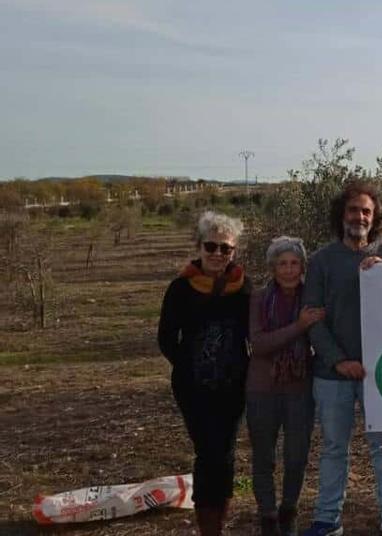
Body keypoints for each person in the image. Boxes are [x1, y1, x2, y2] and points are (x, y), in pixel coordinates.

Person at [302, 182, 382, 536]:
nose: (359, 217)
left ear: (375, 217)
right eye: (353, 210)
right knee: (334, 447)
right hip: (332, 374)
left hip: (380, 371)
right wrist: (338, 361)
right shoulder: (321, 261)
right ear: (342, 214)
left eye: (366, 211)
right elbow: (312, 318)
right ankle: (327, 518)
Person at [157, 211, 251, 536]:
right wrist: (191, 365)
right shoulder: (181, 288)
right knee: (207, 451)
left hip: (233, 386)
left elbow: (254, 333)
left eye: (225, 248)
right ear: (199, 247)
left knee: (225, 452)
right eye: (211, 246)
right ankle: (208, 527)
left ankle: (219, 521)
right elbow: (166, 338)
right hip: (193, 387)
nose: (217, 254)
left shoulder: (243, 287)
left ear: (233, 251)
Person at [247, 236, 323, 536]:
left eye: (294, 263)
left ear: (302, 267)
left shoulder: (313, 298)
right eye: (282, 264)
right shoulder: (259, 298)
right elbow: (259, 344)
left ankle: (288, 511)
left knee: (296, 456)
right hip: (261, 388)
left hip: (300, 388)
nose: (289, 270)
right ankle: (267, 516)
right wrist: (298, 326)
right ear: (273, 268)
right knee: (264, 456)